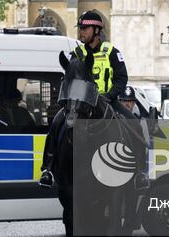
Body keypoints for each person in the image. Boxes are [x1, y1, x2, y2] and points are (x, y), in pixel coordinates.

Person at [39, 11, 129, 187]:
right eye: (80, 28)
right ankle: (47, 169)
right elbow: (69, 78)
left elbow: (121, 79)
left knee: (133, 124)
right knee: (57, 124)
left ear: (96, 30)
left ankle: (139, 173)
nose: (81, 32)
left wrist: (109, 96)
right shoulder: (77, 53)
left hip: (107, 101)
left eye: (85, 28)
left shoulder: (112, 52)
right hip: (80, 104)